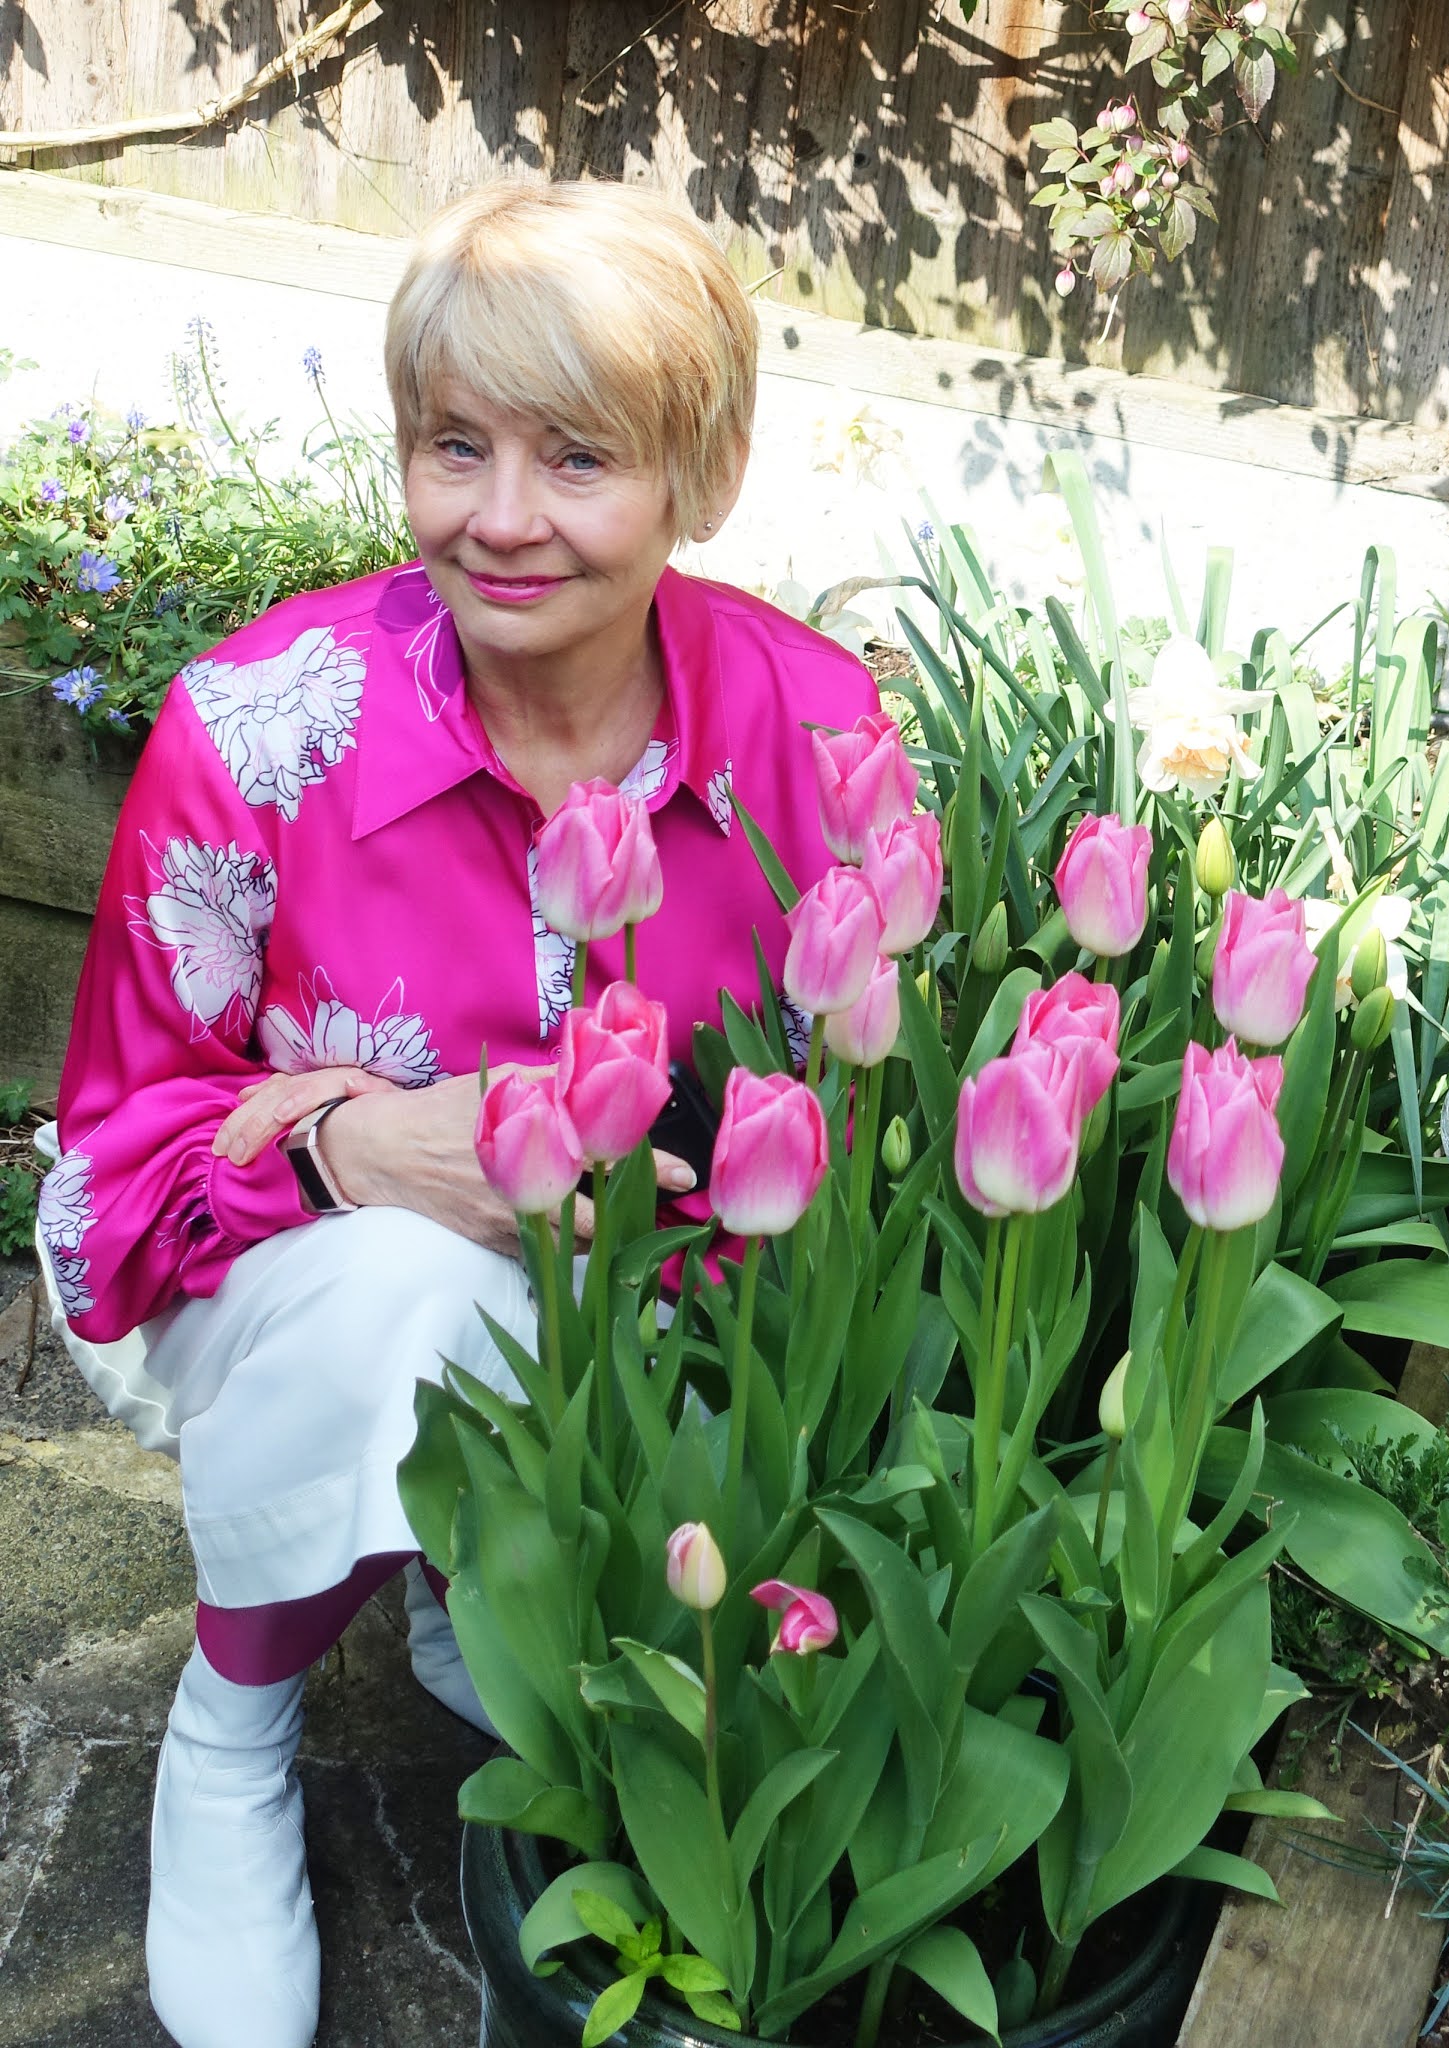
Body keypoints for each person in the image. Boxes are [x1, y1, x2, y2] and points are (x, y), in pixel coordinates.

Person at [35, 178, 879, 2048]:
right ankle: (235, 1721)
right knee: (415, 1291)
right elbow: (98, 1192)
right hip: (303, 1292)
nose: (501, 519)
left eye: (581, 457)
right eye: (454, 447)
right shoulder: (263, 732)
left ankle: (460, 1583)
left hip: (672, 1330)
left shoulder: (815, 744)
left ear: (703, 476)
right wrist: (351, 1141)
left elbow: (854, 1144)